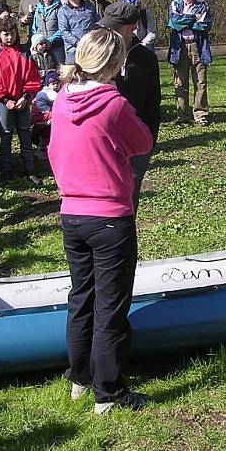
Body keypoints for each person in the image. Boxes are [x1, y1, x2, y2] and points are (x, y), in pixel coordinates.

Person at [48, 28, 153, 414]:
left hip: (72, 213)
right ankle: (108, 391)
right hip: (109, 216)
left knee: (81, 296)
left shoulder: (61, 100)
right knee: (111, 305)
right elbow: (143, 142)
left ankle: (79, 376)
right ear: (115, 64)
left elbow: (54, 148)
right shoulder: (115, 105)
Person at [96, 1, 161, 210]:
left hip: (135, 139)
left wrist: (149, 139)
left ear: (131, 27)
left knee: (128, 200)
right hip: (105, 138)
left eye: (114, 26)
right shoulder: (100, 55)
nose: (108, 30)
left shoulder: (145, 58)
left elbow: (153, 102)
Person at [0, 16, 41, 184]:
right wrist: (4, 100)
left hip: (22, 100)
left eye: (12, 33)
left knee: (24, 133)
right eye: (5, 34)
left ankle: (29, 169)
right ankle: (5, 170)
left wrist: (26, 97)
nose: (9, 37)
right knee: (6, 134)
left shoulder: (24, 53)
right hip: (5, 102)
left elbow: (32, 77)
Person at [168, 0, 212, 125]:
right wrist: (194, 18)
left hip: (198, 46)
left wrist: (185, 22)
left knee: (200, 82)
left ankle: (200, 115)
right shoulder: (175, 4)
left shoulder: (203, 5)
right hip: (179, 47)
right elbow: (174, 22)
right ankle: (182, 115)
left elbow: (205, 25)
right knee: (180, 82)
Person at [58, 0, 98, 64]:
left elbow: (97, 23)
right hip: (73, 51)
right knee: (73, 75)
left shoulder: (90, 6)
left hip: (91, 48)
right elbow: (64, 31)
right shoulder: (63, 11)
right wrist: (78, 43)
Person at [31, 0, 65, 65]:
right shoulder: (37, 10)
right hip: (40, 47)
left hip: (56, 46)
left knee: (59, 70)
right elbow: (34, 28)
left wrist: (50, 40)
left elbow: (62, 28)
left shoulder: (60, 9)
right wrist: (37, 41)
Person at [31, 71, 59, 157]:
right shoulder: (44, 94)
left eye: (57, 83)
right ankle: (43, 150)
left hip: (48, 117)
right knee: (46, 132)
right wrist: (51, 113)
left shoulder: (56, 93)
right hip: (41, 118)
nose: (55, 85)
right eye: (52, 83)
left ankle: (49, 149)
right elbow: (41, 107)